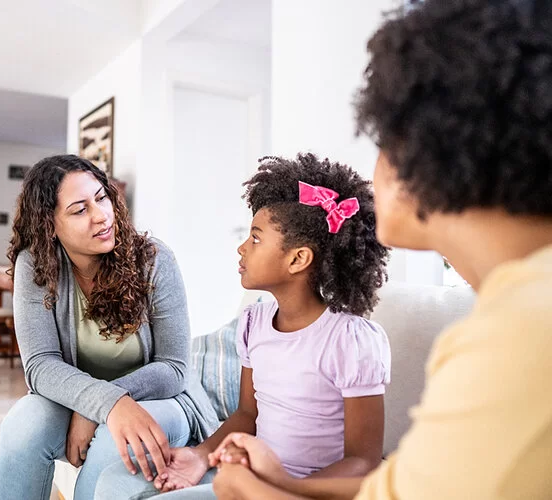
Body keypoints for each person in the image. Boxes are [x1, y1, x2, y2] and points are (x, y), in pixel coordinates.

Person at [209, 1, 552, 498]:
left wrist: (245, 487)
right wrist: (275, 477)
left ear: (425, 148)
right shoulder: (515, 311)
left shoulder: (519, 337)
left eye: (383, 141)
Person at [95, 153, 391, 499]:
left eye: (255, 238)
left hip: (305, 491)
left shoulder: (350, 340)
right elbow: (248, 413)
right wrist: (199, 456)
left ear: (298, 259)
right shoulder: (256, 323)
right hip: (251, 476)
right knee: (114, 481)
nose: (241, 248)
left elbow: (363, 461)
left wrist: (284, 485)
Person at [0, 155, 218, 500]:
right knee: (22, 425)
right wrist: (105, 403)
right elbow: (40, 366)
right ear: (49, 225)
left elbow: (173, 369)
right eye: (79, 210)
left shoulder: (154, 259)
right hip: (87, 400)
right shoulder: (36, 265)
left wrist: (102, 406)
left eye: (102, 197)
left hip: (166, 401)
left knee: (113, 441)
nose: (101, 216)